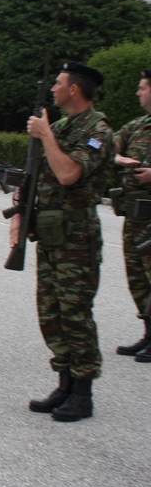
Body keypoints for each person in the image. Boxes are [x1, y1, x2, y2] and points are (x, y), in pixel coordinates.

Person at [23, 62, 113, 422]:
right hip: (50, 233)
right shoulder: (61, 127)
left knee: (76, 315)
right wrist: (22, 217)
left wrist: (46, 136)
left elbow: (67, 174)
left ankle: (83, 391)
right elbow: (37, 179)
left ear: (75, 89)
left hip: (77, 239)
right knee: (51, 313)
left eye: (59, 84)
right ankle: (64, 381)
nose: (54, 89)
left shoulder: (98, 131)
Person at [113, 69, 151, 362]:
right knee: (136, 275)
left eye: (142, 88)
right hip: (136, 214)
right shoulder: (137, 127)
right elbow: (101, 147)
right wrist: (121, 159)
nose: (138, 93)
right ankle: (149, 332)